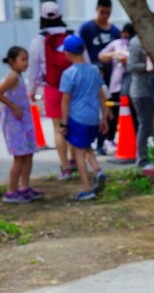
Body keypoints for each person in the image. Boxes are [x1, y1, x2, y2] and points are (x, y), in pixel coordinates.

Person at [27, 1, 76, 181]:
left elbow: (33, 69)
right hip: (73, 88)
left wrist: (31, 90)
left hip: (52, 88)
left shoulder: (39, 40)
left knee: (58, 128)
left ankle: (65, 168)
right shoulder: (71, 35)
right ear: (60, 15)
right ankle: (75, 161)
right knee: (72, 124)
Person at [58, 35, 109, 201]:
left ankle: (87, 188)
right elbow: (101, 95)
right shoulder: (94, 70)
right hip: (93, 116)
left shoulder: (68, 74)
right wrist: (104, 117)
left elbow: (65, 100)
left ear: (67, 53)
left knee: (79, 153)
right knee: (86, 145)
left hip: (77, 117)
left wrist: (63, 123)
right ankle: (97, 170)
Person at [78, 0, 119, 156]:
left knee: (108, 109)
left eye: (108, 13)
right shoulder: (86, 28)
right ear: (96, 9)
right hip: (91, 77)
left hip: (110, 78)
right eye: (102, 12)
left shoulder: (115, 31)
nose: (105, 16)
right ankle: (89, 142)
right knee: (91, 109)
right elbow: (80, 51)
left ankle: (105, 140)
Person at [0, 47, 41, 204]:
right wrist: (13, 107)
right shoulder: (12, 76)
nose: (26, 63)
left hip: (24, 120)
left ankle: (24, 187)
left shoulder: (18, 76)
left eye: (26, 59)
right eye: (22, 59)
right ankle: (11, 191)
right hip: (14, 122)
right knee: (19, 156)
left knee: (28, 153)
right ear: (12, 61)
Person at [98, 22, 133, 151]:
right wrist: (114, 54)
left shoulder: (135, 43)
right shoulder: (117, 44)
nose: (125, 36)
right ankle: (109, 139)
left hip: (131, 83)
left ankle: (129, 140)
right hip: (116, 84)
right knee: (113, 113)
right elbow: (101, 55)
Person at [127, 33, 154, 168]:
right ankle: (142, 159)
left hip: (152, 90)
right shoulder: (136, 42)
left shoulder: (151, 39)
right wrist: (148, 65)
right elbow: (131, 66)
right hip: (140, 91)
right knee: (145, 125)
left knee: (151, 126)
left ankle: (151, 156)